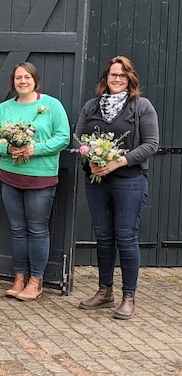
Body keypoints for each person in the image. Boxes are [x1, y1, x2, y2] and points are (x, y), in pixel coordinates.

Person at [74, 56, 158, 320]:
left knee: (125, 236)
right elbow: (79, 139)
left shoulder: (141, 106)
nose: (117, 79)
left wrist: (118, 161)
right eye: (113, 75)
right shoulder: (91, 106)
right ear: (106, 78)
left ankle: (128, 296)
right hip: (97, 181)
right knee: (103, 236)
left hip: (130, 181)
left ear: (130, 78)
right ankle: (105, 291)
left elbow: (151, 144)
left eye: (123, 75)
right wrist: (90, 158)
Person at [0, 62, 70, 301]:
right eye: (18, 78)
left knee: (37, 229)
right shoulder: (4, 108)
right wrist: (8, 149)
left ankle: (36, 280)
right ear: (13, 82)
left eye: (27, 77)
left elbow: (63, 137)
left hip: (40, 177)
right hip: (10, 175)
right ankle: (19, 277)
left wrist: (35, 149)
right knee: (17, 230)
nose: (22, 81)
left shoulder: (52, 106)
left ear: (35, 80)